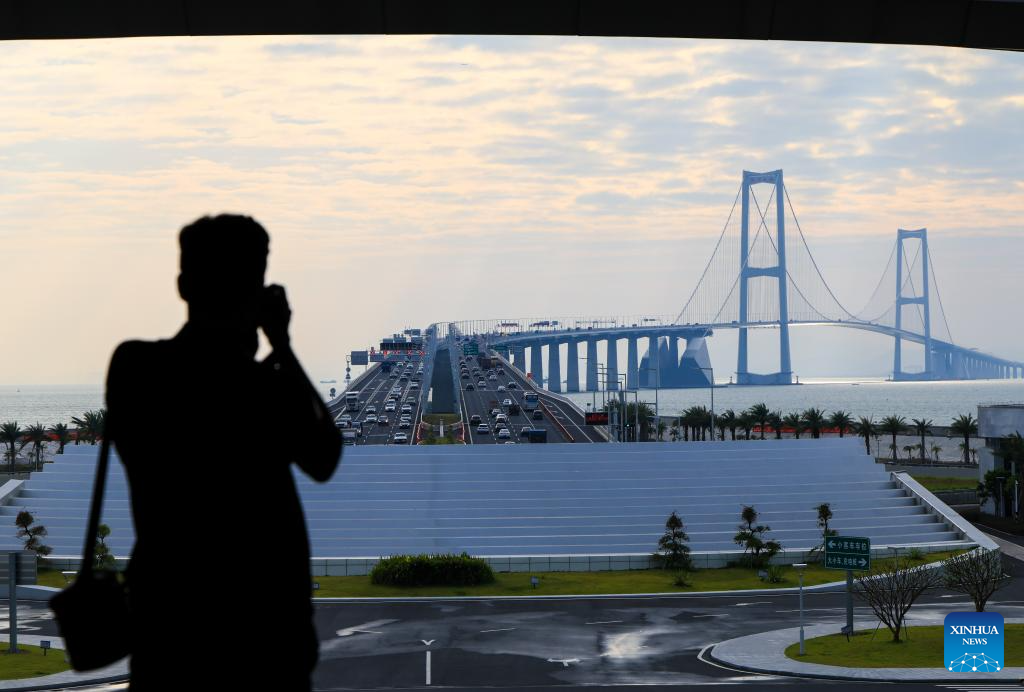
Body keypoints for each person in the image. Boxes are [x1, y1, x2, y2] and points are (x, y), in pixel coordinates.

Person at [105, 214, 341, 690]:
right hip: (267, 638)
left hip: (170, 628)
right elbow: (324, 456)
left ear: (184, 285)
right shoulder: (260, 387)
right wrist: (283, 345)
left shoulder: (135, 367)